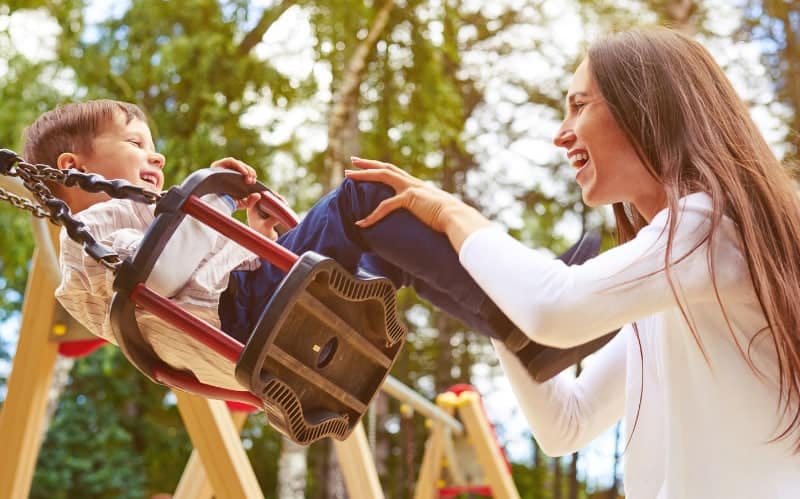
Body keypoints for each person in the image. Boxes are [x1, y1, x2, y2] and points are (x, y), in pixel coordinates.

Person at [345, 28, 800, 498]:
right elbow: (568, 423)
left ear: (646, 109)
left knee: (367, 213)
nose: (561, 134)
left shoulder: (711, 227)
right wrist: (493, 302)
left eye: (579, 106)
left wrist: (450, 213)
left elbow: (555, 309)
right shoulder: (673, 283)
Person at [22, 99, 596, 392]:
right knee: (364, 197)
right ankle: (525, 313)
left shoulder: (144, 217)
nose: (157, 157)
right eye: (135, 142)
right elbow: (157, 278)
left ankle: (523, 325)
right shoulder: (92, 231)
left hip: (249, 311)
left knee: (390, 242)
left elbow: (195, 273)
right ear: (74, 168)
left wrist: (258, 235)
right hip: (246, 316)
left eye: (154, 146)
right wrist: (212, 202)